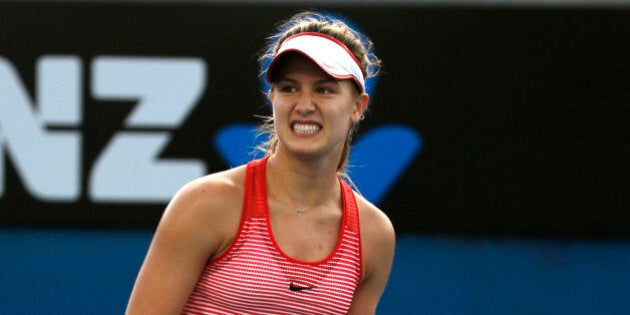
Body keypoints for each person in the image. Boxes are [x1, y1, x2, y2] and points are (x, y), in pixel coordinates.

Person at [126, 11, 395, 315]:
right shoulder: (205, 204)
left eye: (324, 89)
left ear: (358, 106)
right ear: (273, 97)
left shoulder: (373, 235)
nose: (304, 106)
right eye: (289, 88)